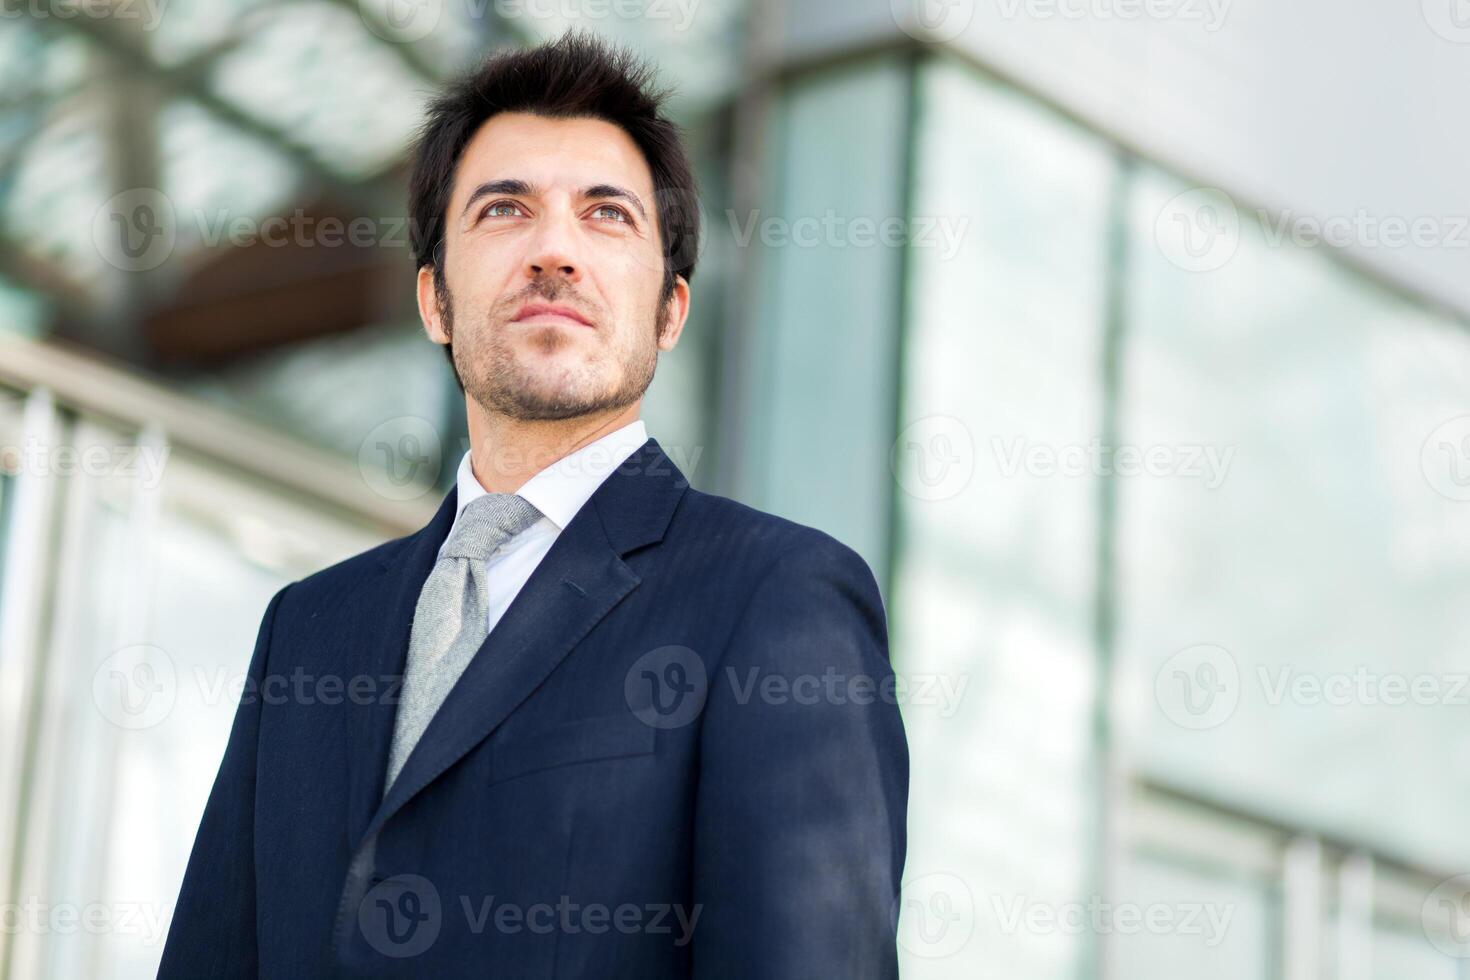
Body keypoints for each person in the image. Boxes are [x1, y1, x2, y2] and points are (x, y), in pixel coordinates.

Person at [158, 29, 908, 978]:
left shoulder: (778, 599)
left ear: (670, 311)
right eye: (505, 209)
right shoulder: (306, 630)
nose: (555, 250)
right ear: (434, 300)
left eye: (606, 216)